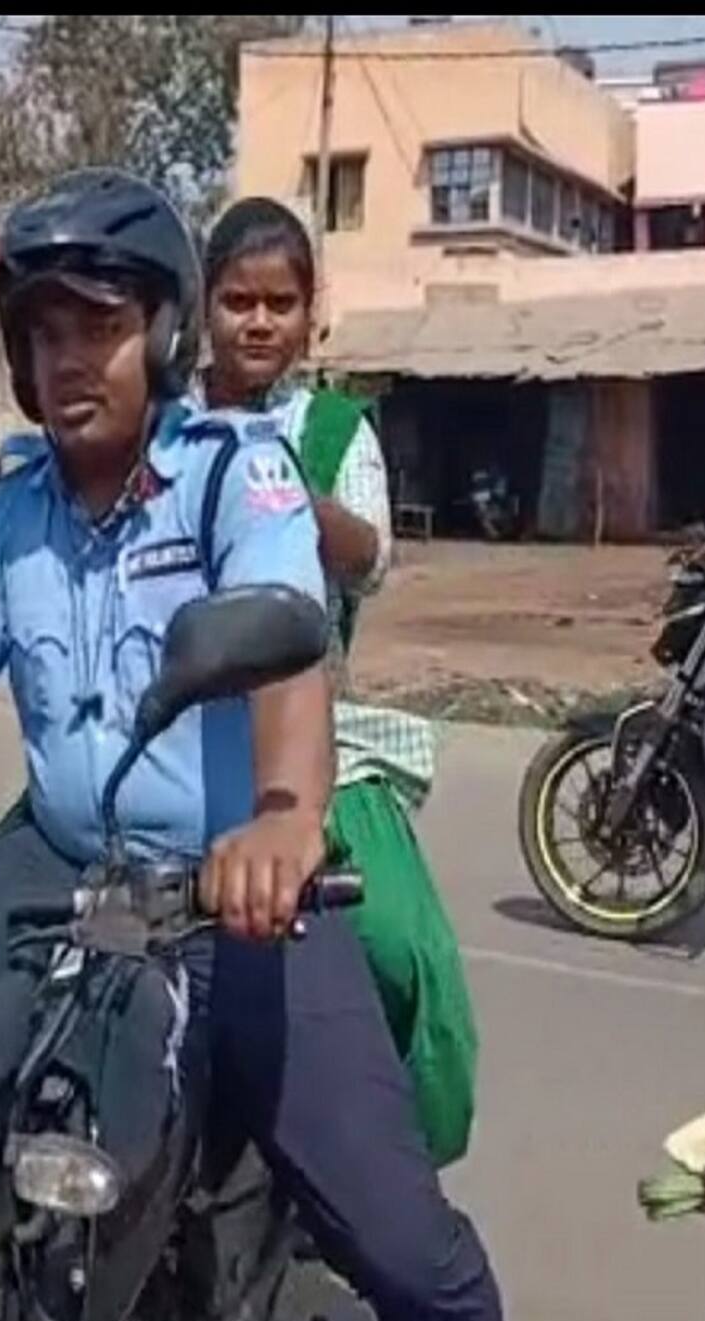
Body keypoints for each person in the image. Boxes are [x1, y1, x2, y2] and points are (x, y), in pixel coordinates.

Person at [0, 169, 502, 1321]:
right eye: (43, 335)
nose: (67, 361)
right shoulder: (13, 512)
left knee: (404, 1251)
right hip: (58, 882)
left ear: (161, 333)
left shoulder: (235, 474)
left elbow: (286, 657)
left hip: (227, 902)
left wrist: (283, 820)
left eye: (96, 328)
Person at [195, 196, 477, 1167]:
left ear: (309, 315)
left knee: (401, 948)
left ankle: (394, 1155)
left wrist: (285, 491)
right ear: (204, 307)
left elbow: (368, 559)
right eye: (237, 301)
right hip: (179, 723)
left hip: (311, 725)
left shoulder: (331, 427)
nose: (258, 322)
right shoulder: (167, 419)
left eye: (279, 303)